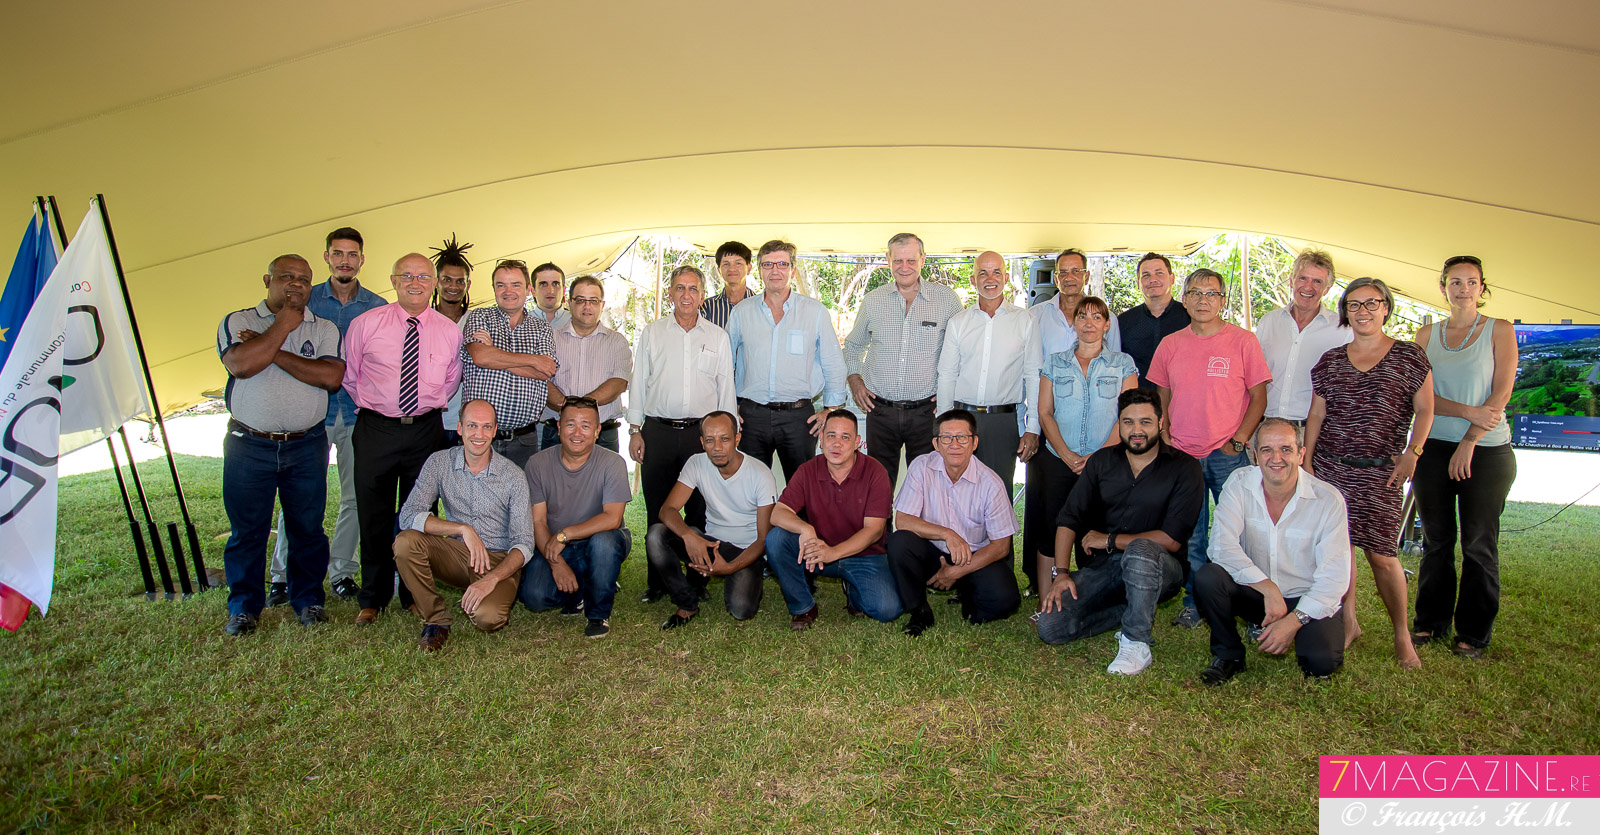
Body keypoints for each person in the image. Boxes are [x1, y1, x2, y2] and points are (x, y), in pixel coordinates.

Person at [1306, 277, 1434, 668]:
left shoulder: (1410, 356)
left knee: (1382, 556)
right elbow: (1316, 414)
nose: (1363, 311)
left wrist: (1414, 451)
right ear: (1345, 311)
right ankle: (1349, 622)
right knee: (1338, 553)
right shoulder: (1330, 359)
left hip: (1382, 472)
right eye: (1355, 304)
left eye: (1372, 303)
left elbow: (1426, 409)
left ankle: (1401, 634)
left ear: (1386, 308)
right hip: (1331, 468)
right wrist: (1308, 460)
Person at [216, 255, 345, 635]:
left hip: (306, 445)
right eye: (286, 277)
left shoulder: (323, 328)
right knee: (248, 530)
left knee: (308, 527)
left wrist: (269, 350)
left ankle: (308, 601)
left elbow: (330, 376)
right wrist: (282, 326)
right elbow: (241, 365)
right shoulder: (238, 322)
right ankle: (244, 607)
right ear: (266, 279)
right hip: (248, 444)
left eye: (303, 279)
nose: (296, 284)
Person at [1036, 389, 1204, 675]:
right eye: (1128, 422)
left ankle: (1136, 641)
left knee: (1139, 549)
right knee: (1050, 627)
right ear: (1120, 424)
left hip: (1163, 568)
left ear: (1161, 423)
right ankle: (1132, 610)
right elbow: (1069, 518)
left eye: (1145, 422)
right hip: (1108, 567)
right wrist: (1061, 573)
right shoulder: (1102, 462)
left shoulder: (1184, 467)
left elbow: (1172, 540)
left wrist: (1110, 540)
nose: (1136, 430)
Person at [343, 252, 464, 625]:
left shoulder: (449, 331)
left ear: (434, 284)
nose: (415, 282)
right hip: (376, 429)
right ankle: (372, 596)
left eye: (424, 277)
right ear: (393, 281)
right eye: (407, 276)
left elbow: (450, 380)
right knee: (374, 515)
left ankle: (412, 594)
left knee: (419, 516)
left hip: (425, 432)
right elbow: (351, 376)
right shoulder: (365, 324)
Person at [266, 226, 383, 605]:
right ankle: (283, 575)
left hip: (357, 414)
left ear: (362, 260)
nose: (345, 260)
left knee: (353, 498)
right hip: (311, 411)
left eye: (352, 254)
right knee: (300, 499)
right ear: (327, 257)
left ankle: (343, 572)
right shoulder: (303, 300)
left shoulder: (378, 306)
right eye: (338, 253)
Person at [1148, 268, 1270, 628]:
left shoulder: (1243, 341)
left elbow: (1258, 398)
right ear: (1183, 299)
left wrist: (1238, 441)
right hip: (1184, 454)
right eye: (1196, 293)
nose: (1203, 300)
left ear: (1222, 300)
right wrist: (1165, 433)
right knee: (1193, 535)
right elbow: (1162, 395)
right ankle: (1195, 603)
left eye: (1212, 293)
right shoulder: (1170, 344)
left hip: (1227, 454)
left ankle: (1251, 608)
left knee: (1243, 534)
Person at [1411, 255, 1517, 660]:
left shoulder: (1499, 330)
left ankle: (1473, 631)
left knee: (1478, 543)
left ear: (1481, 288)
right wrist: (1466, 411)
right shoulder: (1425, 336)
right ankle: (1429, 623)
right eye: (1455, 282)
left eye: (1471, 282)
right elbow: (1421, 398)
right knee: (1437, 541)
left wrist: (1471, 437)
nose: (1463, 289)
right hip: (1433, 448)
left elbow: (1502, 391)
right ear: (1443, 287)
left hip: (1487, 450)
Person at [1196, 418, 1351, 684]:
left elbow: (1334, 578)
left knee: (1320, 664)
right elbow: (1221, 545)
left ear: (1301, 454)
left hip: (1305, 598)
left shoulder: (1327, 499)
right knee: (1208, 578)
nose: (1275, 458)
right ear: (1255, 455)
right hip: (1257, 592)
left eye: (1286, 449)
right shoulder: (1239, 483)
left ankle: (1294, 630)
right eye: (1267, 449)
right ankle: (1229, 654)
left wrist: (1293, 621)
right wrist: (1267, 588)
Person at [629, 265, 737, 603]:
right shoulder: (652, 333)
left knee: (701, 510)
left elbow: (726, 389)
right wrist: (635, 429)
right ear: (671, 294)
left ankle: (698, 581)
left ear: (702, 295)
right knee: (657, 508)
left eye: (693, 288)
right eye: (679, 288)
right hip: (658, 431)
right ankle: (657, 582)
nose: (686, 294)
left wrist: (728, 435)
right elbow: (637, 384)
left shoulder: (717, 337)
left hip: (702, 437)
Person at [392, 400, 535, 651]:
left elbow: (524, 544)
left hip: (497, 560)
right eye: (471, 426)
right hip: (458, 554)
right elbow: (408, 515)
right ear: (459, 428)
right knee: (405, 542)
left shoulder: (513, 476)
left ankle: (488, 591)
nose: (478, 435)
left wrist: (491, 579)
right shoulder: (439, 463)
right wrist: (461, 529)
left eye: (485, 427)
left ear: (494, 430)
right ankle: (436, 619)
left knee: (488, 618)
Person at [1022, 249, 1121, 595]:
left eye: (1076, 270)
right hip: (1054, 446)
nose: (1069, 277)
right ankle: (1043, 586)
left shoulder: (1121, 360)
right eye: (1063, 271)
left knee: (1098, 521)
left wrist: (1098, 456)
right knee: (1046, 516)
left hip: (1102, 453)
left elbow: (1121, 406)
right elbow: (1037, 391)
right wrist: (1056, 446)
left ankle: (1095, 589)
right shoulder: (1036, 319)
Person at [843, 232, 963, 489]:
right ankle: (881, 531)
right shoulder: (873, 300)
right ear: (888, 260)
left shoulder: (947, 301)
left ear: (923, 259)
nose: (904, 267)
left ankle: (920, 532)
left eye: (911, 260)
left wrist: (948, 396)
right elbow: (853, 345)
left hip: (926, 413)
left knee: (928, 487)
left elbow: (963, 353)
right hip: (880, 412)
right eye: (898, 260)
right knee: (878, 488)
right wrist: (854, 379)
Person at [887, 409, 1021, 636]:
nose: (954, 444)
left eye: (962, 437)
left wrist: (955, 572)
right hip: (932, 552)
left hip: (974, 557)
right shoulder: (922, 467)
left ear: (974, 442)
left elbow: (1001, 546)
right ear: (936, 444)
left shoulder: (991, 483)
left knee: (1004, 600)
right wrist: (948, 534)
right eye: (946, 438)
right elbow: (903, 519)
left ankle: (968, 595)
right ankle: (919, 610)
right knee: (899, 542)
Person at [766, 409, 902, 628]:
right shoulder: (808, 470)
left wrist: (834, 553)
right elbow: (778, 512)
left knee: (887, 610)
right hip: (819, 551)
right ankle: (803, 607)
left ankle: (854, 591)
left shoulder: (875, 472)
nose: (837, 443)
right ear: (821, 439)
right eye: (831, 436)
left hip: (864, 556)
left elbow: (874, 530)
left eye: (845, 437)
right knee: (776, 539)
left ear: (857, 442)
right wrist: (806, 529)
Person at [726, 239, 847, 480]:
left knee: (801, 488)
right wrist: (728, 405)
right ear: (759, 271)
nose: (775, 270)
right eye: (768, 264)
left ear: (792, 269)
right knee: (749, 487)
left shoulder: (814, 312)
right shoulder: (742, 312)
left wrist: (831, 410)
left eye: (782, 264)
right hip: (751, 417)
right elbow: (724, 363)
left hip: (799, 417)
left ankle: (797, 520)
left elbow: (833, 362)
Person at [645, 411, 776, 628]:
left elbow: (764, 540)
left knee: (741, 610)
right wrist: (689, 536)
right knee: (656, 535)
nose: (717, 447)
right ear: (701, 442)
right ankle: (686, 602)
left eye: (724, 439)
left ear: (737, 439)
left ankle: (736, 579)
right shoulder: (696, 463)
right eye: (710, 440)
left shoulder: (760, 474)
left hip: (745, 550)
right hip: (709, 542)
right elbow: (667, 510)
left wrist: (730, 568)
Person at [518, 397, 634, 639]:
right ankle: (581, 587)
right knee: (535, 596)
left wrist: (565, 534)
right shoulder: (537, 464)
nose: (577, 433)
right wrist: (556, 564)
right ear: (559, 428)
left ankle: (598, 614)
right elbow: (538, 522)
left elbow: (612, 518)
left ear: (597, 430)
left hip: (603, 539)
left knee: (602, 543)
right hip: (558, 546)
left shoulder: (613, 463)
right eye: (570, 424)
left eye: (585, 425)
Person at [935, 250, 1041, 495]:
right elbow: (947, 375)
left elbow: (1033, 376)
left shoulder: (1025, 321)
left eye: (996, 272)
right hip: (961, 419)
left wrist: (1032, 427)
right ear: (973, 280)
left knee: (998, 496)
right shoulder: (958, 323)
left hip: (1002, 423)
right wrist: (942, 424)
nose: (989, 278)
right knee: (956, 495)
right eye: (982, 272)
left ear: (1005, 277)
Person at [460, 259, 557, 470]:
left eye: (515, 284)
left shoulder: (541, 328)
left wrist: (495, 353)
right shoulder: (479, 316)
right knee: (474, 501)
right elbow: (481, 358)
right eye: (500, 285)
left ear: (528, 289)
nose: (508, 291)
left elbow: (546, 371)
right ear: (493, 288)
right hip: (480, 437)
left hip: (524, 439)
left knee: (521, 502)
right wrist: (533, 359)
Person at [1255, 249, 1352, 423]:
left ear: (1327, 289)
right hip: (1264, 425)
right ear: (1291, 280)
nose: (1308, 287)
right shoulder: (1269, 322)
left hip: (1311, 429)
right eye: (1302, 278)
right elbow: (1253, 376)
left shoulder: (1342, 330)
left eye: (1317, 281)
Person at [541, 274, 631, 453]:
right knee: (553, 482)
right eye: (581, 300)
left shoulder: (617, 342)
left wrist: (575, 410)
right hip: (556, 434)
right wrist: (571, 410)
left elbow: (619, 382)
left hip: (603, 436)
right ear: (569, 302)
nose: (587, 306)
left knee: (604, 482)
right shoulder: (549, 339)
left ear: (602, 305)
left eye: (594, 301)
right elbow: (540, 380)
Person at [1117, 253, 1190, 388]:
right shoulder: (1123, 322)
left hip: (1181, 401)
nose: (1153, 279)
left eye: (1159, 273)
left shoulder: (1190, 318)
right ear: (1138, 283)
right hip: (1137, 402)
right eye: (1146, 275)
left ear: (1172, 278)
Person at [430, 234, 474, 445]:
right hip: (430, 421)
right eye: (447, 279)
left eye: (460, 281)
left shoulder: (476, 321)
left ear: (468, 284)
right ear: (436, 281)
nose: (453, 286)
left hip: (466, 422)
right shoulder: (422, 321)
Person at [700, 241, 755, 329]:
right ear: (719, 271)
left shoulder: (761, 305)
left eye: (738, 263)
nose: (732, 268)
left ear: (749, 268)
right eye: (726, 264)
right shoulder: (707, 307)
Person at [530, 262, 571, 332]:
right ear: (533, 291)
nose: (550, 291)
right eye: (543, 284)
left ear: (564, 290)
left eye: (555, 284)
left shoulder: (577, 322)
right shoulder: (520, 323)